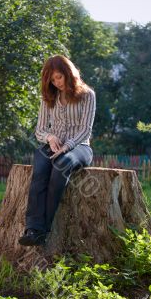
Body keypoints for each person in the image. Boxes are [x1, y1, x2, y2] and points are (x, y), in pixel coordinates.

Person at [18, 55, 96, 246]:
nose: (56, 83)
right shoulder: (49, 97)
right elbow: (40, 130)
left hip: (79, 147)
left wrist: (67, 146)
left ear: (69, 74)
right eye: (52, 80)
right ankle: (33, 228)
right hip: (52, 145)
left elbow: (86, 129)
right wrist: (50, 138)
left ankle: (44, 230)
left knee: (61, 165)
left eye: (59, 77)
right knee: (40, 171)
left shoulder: (87, 95)